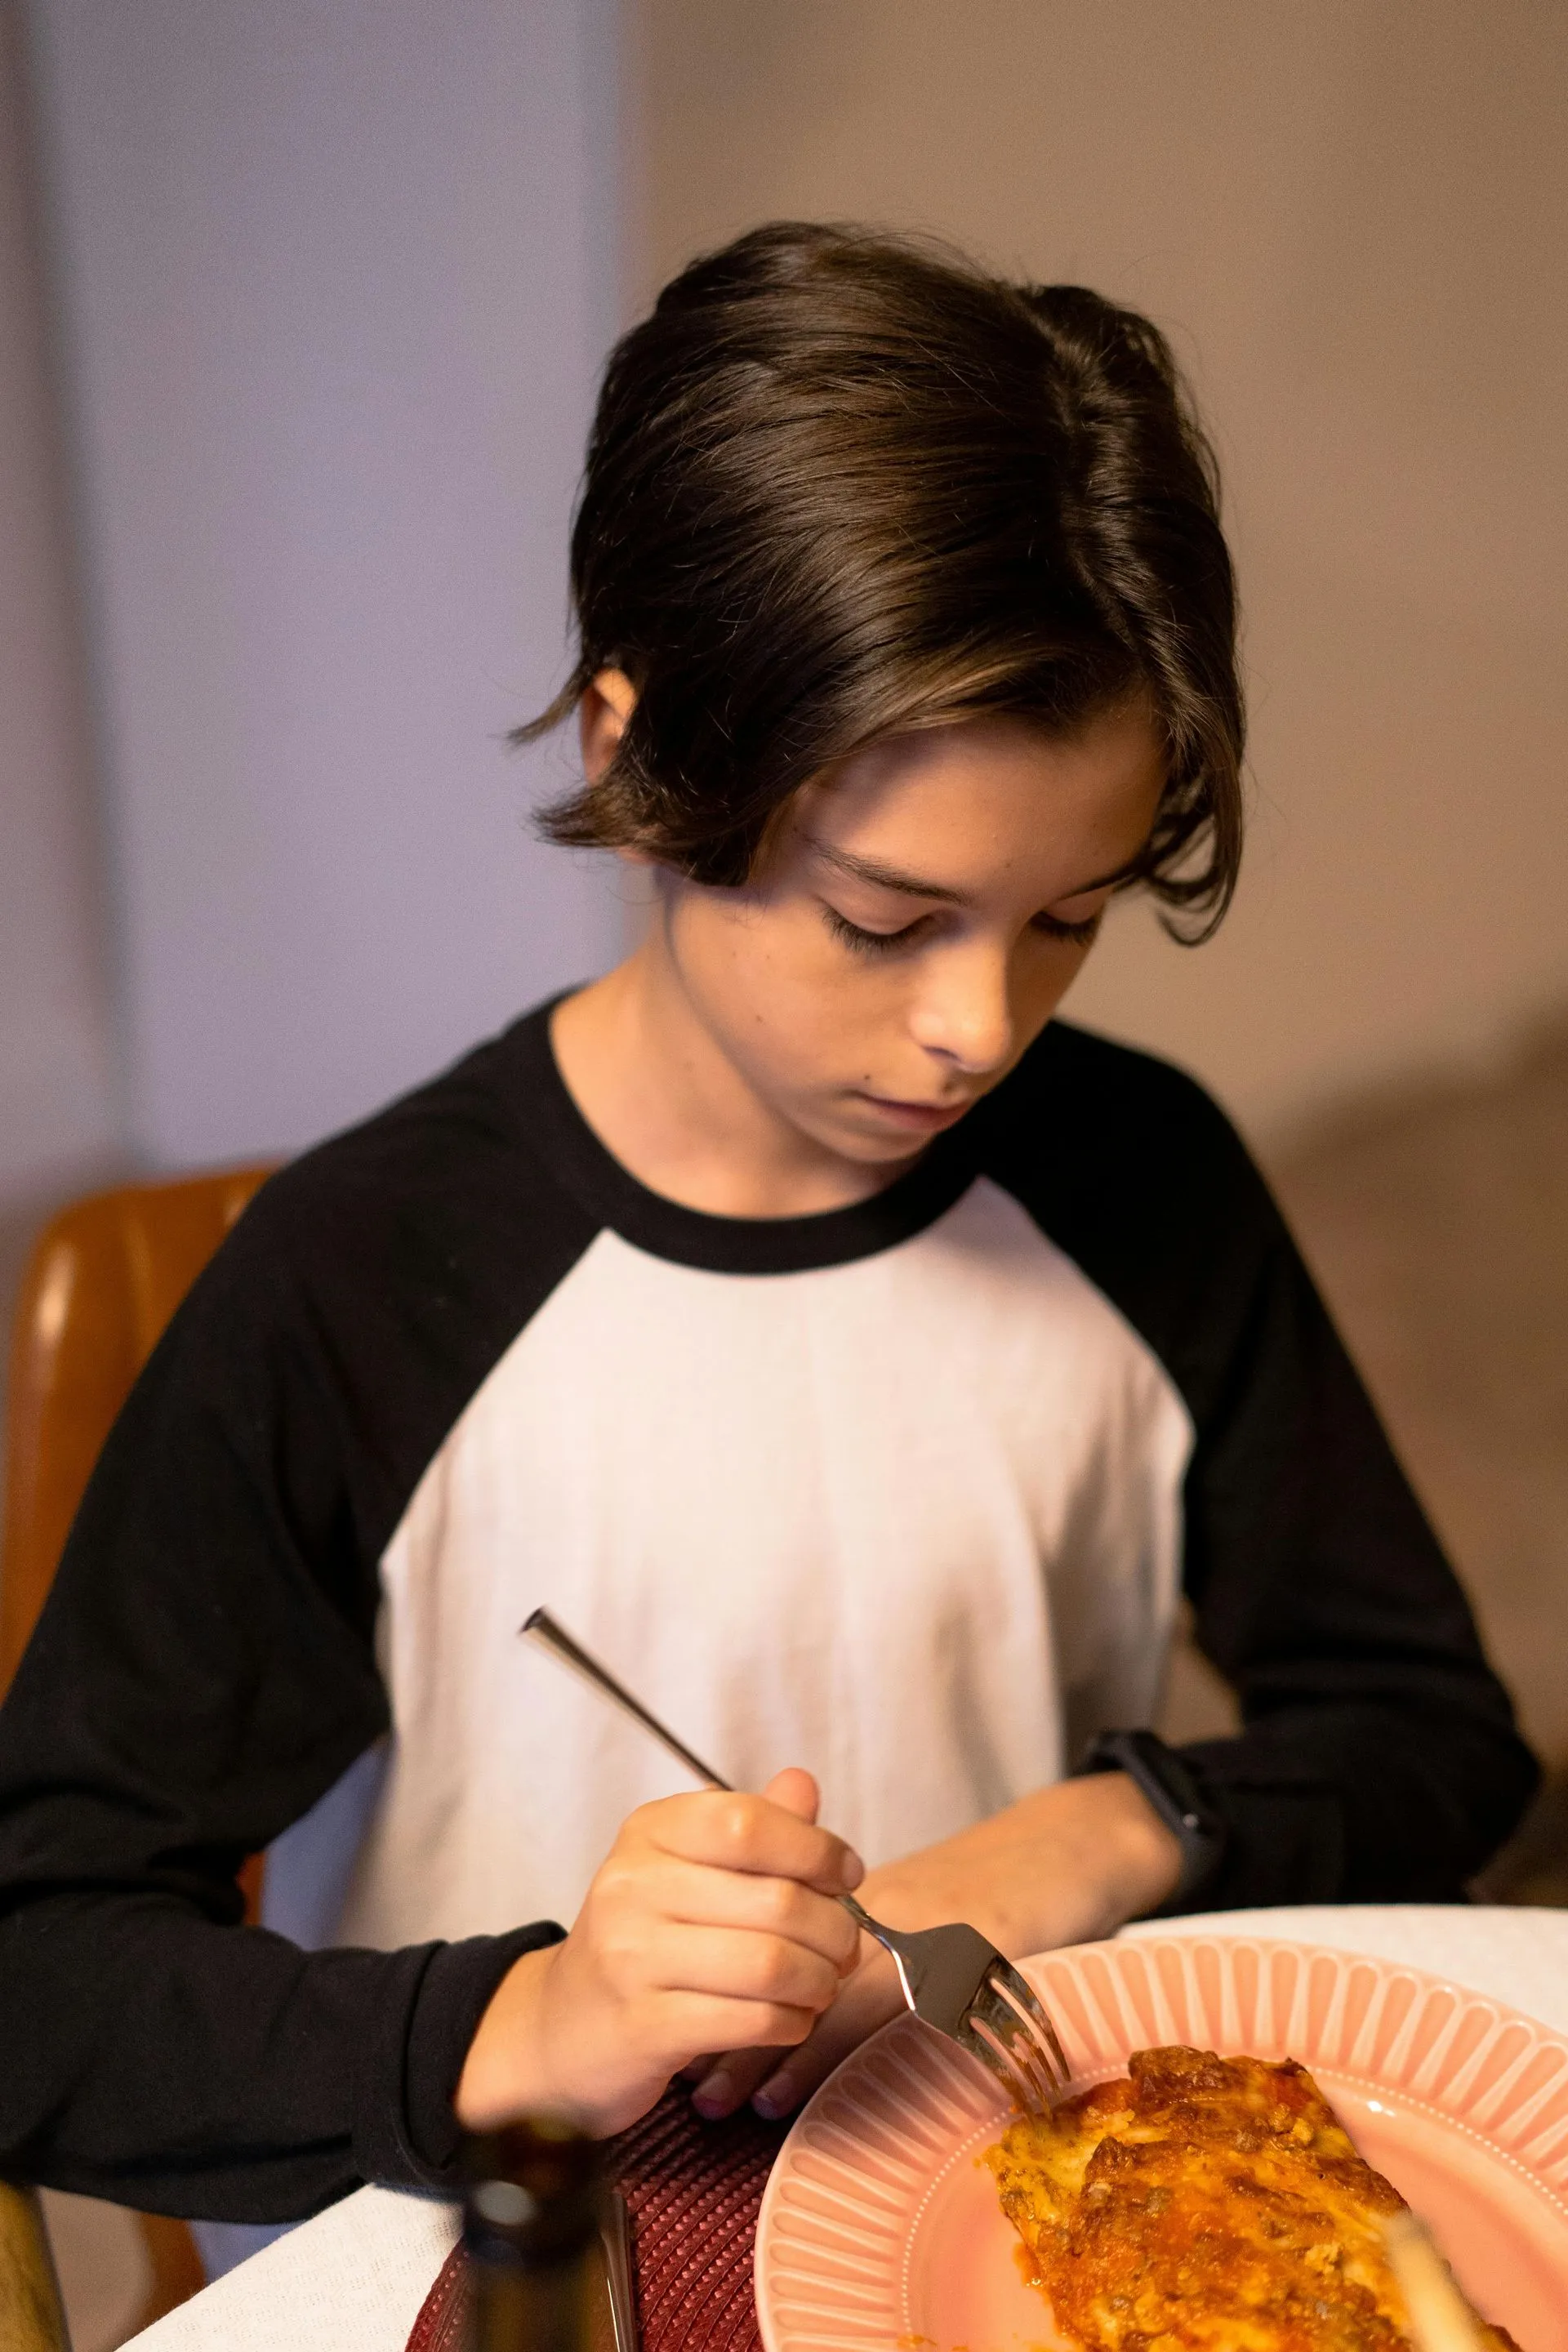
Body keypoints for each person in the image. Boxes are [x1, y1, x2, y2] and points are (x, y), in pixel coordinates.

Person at [0, 224, 1536, 2232]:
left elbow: (1437, 1744)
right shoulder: (366, 1277)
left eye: (1065, 916)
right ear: (636, 761)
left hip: (995, 2234)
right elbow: (41, 1980)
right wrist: (521, 2025)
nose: (977, 1028)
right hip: (520, 2275)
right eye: (888, 921)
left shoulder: (1140, 1183)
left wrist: (1111, 1829)